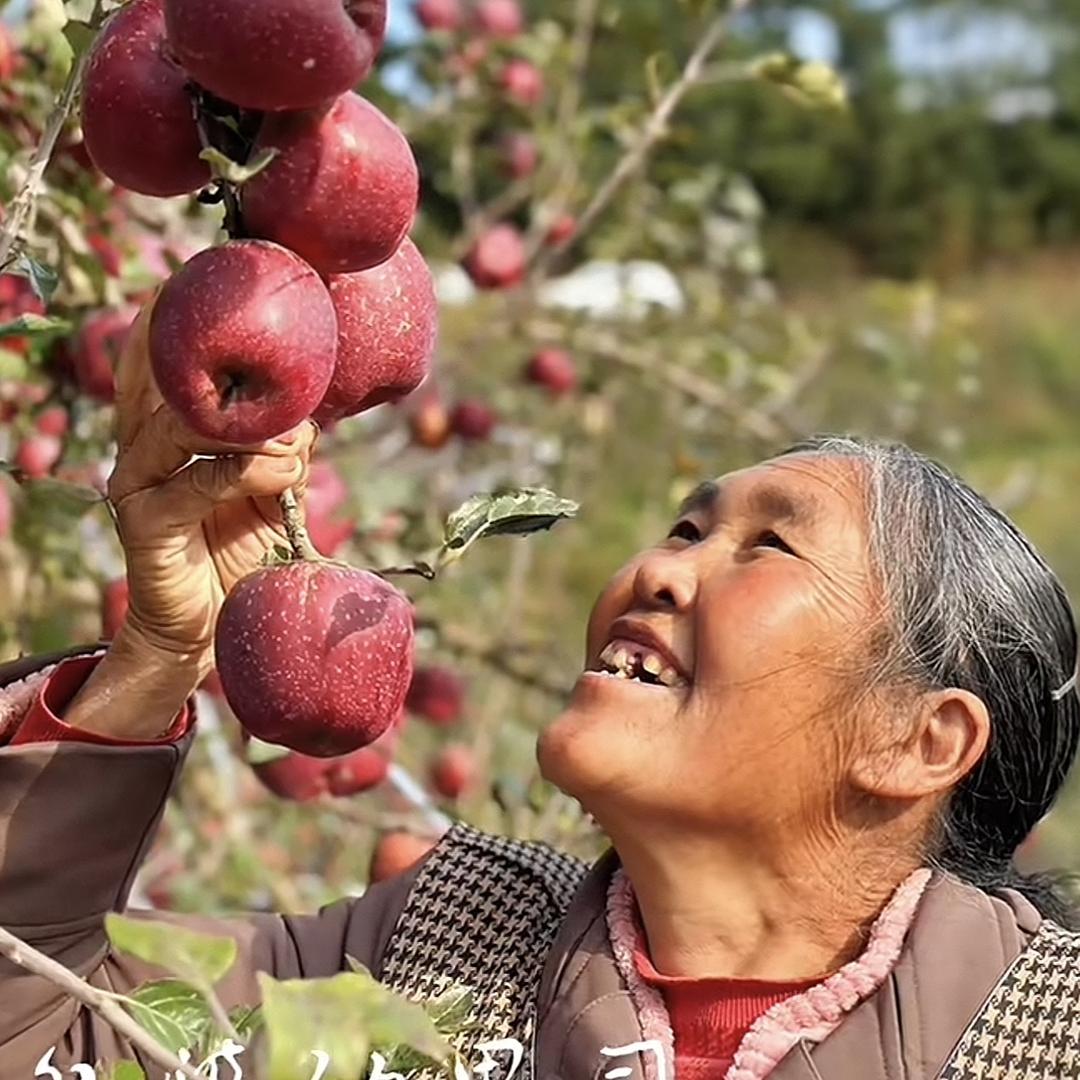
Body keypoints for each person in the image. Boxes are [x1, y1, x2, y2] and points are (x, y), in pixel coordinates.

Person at [2, 302, 1080, 1080]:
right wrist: (156, 656)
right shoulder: (437, 950)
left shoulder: (1045, 1039)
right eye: (686, 528)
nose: (656, 570)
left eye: (770, 547)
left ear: (917, 741)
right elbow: (46, 1035)